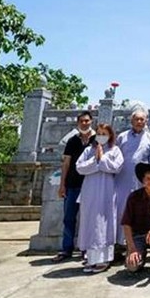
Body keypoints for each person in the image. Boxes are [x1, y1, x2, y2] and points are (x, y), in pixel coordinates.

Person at [75, 123, 124, 273]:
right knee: (89, 222)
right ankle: (90, 258)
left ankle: (103, 259)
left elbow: (117, 167)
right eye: (99, 133)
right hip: (90, 190)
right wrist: (95, 160)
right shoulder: (89, 150)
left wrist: (102, 159)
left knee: (103, 223)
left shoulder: (115, 150)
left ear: (110, 135)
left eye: (105, 133)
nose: (102, 136)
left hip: (106, 191)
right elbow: (79, 167)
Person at [53, 111, 95, 263]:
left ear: (92, 122)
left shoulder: (97, 140)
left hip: (90, 185)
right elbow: (66, 164)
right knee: (69, 218)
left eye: (87, 121)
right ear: (78, 123)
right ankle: (66, 248)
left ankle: (85, 249)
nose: (85, 123)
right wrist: (62, 184)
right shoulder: (72, 141)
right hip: (72, 185)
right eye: (82, 121)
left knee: (87, 219)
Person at [114, 110, 150, 246]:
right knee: (121, 210)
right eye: (136, 119)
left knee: (139, 211)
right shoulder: (122, 137)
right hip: (122, 180)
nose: (139, 122)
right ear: (131, 121)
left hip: (140, 182)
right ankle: (119, 244)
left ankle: (138, 245)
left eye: (142, 120)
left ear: (146, 121)